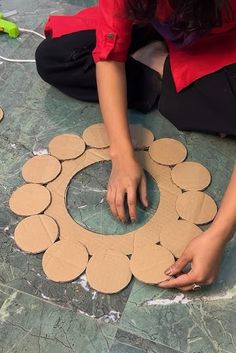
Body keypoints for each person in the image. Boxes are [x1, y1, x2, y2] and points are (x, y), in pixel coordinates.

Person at [35, 0, 236, 291]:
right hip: (152, 29)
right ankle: (166, 72)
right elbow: (109, 57)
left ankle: (164, 72)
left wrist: (218, 234)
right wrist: (122, 156)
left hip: (222, 50)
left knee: (199, 101)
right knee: (55, 57)